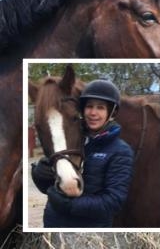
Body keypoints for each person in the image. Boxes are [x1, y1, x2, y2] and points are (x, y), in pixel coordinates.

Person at [31, 79, 134, 228]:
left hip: (90, 230)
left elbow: (113, 201)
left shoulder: (121, 151)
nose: (93, 113)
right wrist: (40, 175)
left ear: (111, 112)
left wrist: (71, 206)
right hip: (53, 224)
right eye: (89, 106)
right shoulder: (71, 139)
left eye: (100, 108)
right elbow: (52, 187)